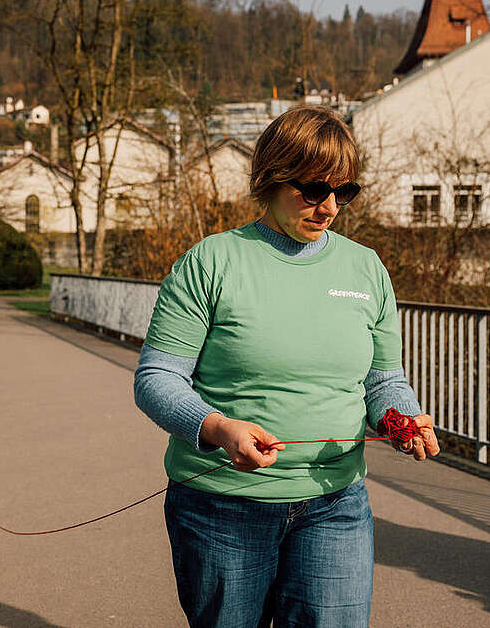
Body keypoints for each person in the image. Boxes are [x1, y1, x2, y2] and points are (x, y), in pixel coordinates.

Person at [133, 105, 441, 628]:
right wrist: (219, 428)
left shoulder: (365, 268)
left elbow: (384, 381)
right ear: (271, 180)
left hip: (336, 505)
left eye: (343, 193)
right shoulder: (211, 262)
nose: (328, 208)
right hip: (222, 507)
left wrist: (401, 419)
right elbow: (157, 379)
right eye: (314, 190)